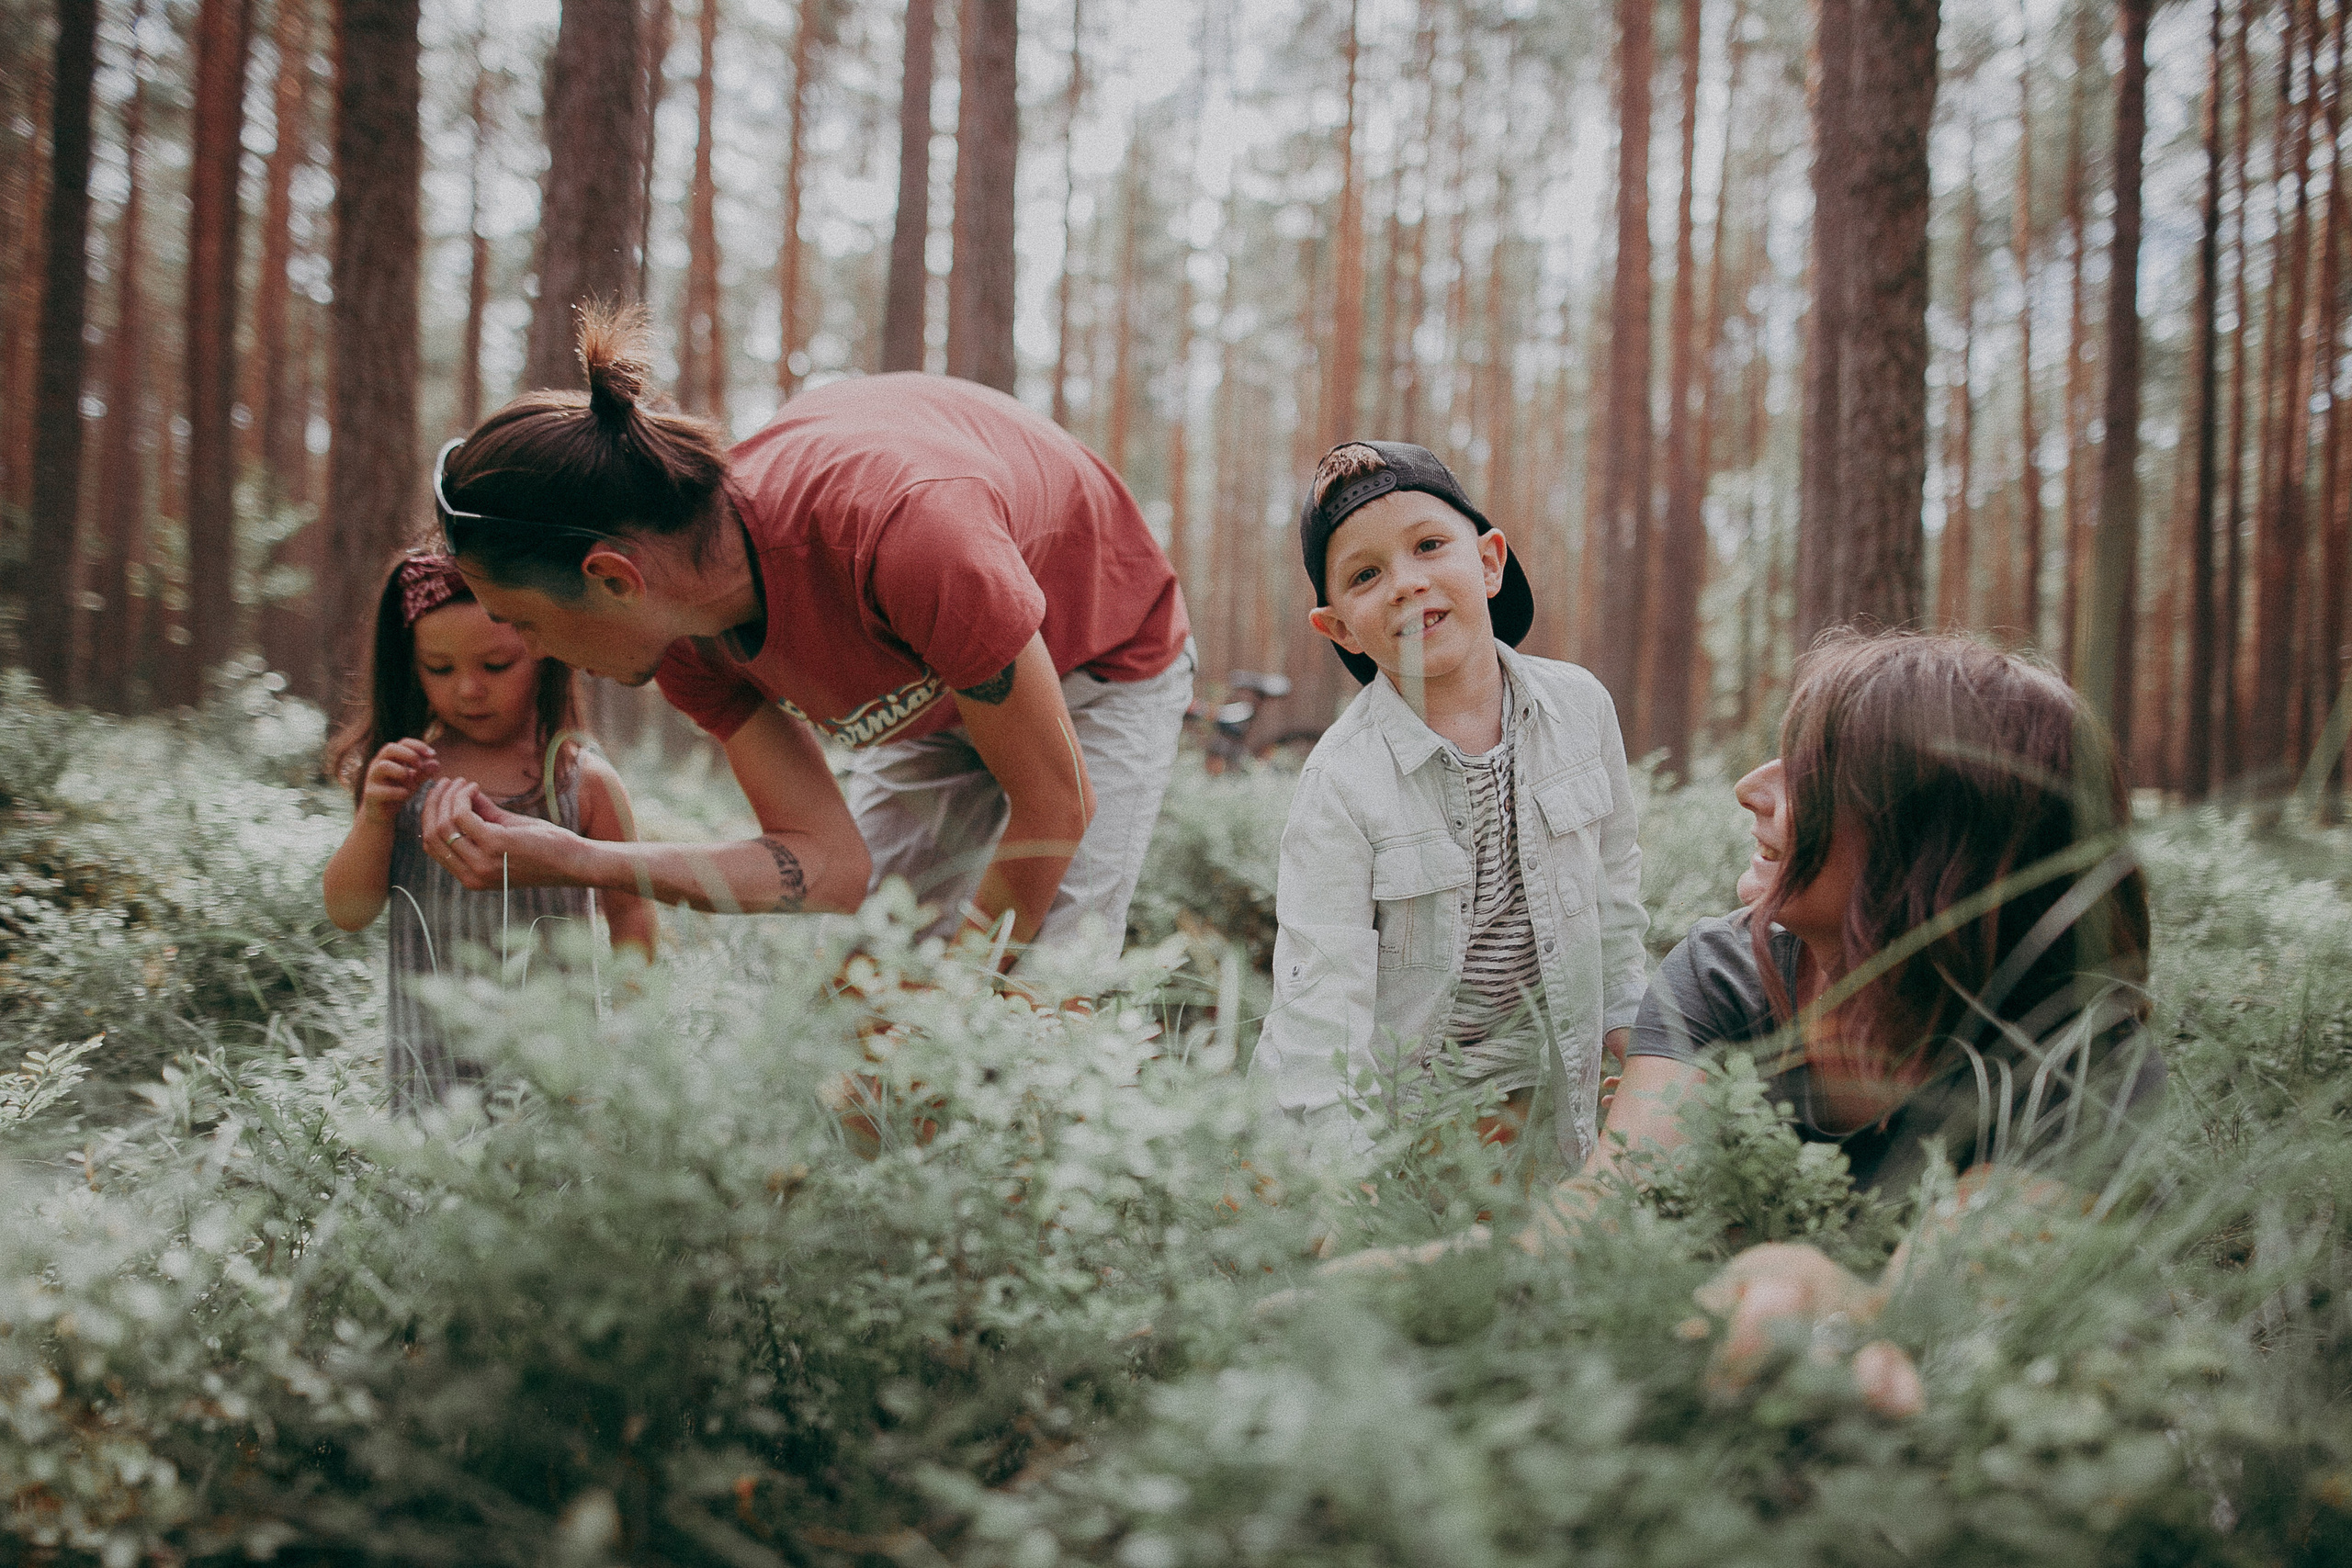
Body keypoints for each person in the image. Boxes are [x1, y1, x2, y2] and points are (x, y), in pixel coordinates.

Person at [413, 306, 1193, 963]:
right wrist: (583, 860)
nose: (536, 653)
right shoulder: (683, 639)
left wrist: (940, 1017)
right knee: (858, 981)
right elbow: (828, 866)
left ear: (613, 577)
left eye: (524, 622)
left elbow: (1054, 807)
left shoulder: (907, 537)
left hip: (1099, 658)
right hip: (938, 686)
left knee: (1045, 987)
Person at [1544, 629, 2163, 1410]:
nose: (1751, 787)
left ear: (1933, 844)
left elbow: (1937, 1300)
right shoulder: (1720, 975)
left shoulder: (2087, 1053)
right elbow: (1601, 1210)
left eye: (1808, 773)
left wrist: (1808, 1289)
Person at [1250, 441, 1648, 1168]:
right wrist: (1350, 1182)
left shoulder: (1582, 709)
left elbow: (1616, 896)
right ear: (1338, 626)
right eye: (1366, 574)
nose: (1406, 583)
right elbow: (1321, 1009)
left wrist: (1628, 1048)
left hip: (1549, 1093)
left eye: (1429, 545)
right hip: (1401, 1114)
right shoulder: (1341, 782)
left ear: (1490, 562)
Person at [322, 552, 656, 1111]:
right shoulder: (405, 780)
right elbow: (348, 910)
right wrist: (375, 817)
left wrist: (628, 1030)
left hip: (557, 1066)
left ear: (545, 653)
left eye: (496, 666)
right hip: (429, 1075)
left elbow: (631, 913)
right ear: (411, 665)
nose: (469, 689)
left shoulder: (582, 783)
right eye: (439, 666)